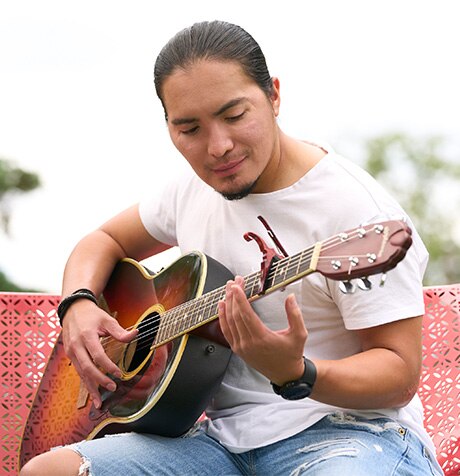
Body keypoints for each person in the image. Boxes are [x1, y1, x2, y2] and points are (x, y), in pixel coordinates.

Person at [21, 20, 443, 476]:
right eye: (190, 129)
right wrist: (78, 304)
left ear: (274, 95)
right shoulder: (188, 191)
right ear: (167, 126)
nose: (218, 147)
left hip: (351, 437)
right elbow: (102, 240)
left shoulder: (360, 213)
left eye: (235, 115)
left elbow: (399, 375)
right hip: (221, 445)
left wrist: (298, 373)